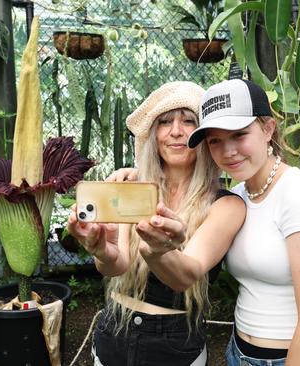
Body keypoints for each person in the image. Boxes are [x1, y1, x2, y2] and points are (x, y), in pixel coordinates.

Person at [66, 81, 245, 366]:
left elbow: (185, 276)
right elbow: (117, 264)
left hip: (174, 348)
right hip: (114, 334)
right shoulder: (132, 189)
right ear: (153, 135)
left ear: (203, 136)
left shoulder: (225, 205)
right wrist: (101, 251)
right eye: (164, 122)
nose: (175, 131)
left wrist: (159, 250)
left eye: (188, 121)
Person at [184, 79, 300, 366]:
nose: (228, 151)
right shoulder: (236, 198)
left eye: (239, 135)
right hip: (241, 354)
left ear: (267, 129)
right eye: (215, 141)